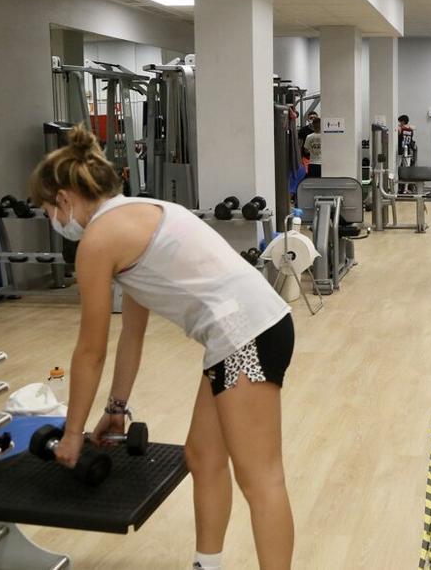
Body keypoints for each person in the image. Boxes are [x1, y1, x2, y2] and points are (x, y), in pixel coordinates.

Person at [27, 126, 296, 570]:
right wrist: (117, 405)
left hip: (246, 336)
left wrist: (72, 434)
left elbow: (89, 350)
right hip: (242, 334)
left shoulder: (98, 240)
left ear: (64, 200)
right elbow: (132, 333)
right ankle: (205, 566)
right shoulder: (137, 214)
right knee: (203, 455)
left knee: (261, 478)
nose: (52, 222)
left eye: (47, 211)